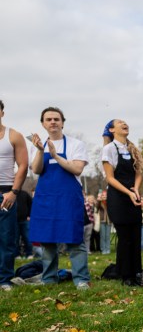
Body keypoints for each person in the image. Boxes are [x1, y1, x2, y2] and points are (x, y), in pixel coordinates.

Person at [29, 107, 91, 290]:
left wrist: (55, 155)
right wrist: (41, 151)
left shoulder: (75, 145)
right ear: (43, 124)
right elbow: (37, 170)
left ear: (63, 122)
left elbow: (77, 169)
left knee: (74, 240)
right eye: (48, 119)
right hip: (46, 199)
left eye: (56, 119)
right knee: (47, 240)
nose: (53, 122)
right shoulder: (38, 146)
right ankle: (49, 278)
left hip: (68, 199)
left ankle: (81, 279)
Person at [102, 119, 143, 287]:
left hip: (133, 195)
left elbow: (139, 172)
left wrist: (136, 189)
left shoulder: (132, 148)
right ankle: (127, 276)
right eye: (120, 123)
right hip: (118, 197)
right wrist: (128, 192)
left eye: (126, 122)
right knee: (125, 236)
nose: (125, 124)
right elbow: (110, 178)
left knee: (135, 235)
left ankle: (136, 272)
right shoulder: (109, 149)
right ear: (112, 129)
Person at [0, 100, 28, 291]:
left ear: (2, 112)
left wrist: (14, 192)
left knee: (6, 237)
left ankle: (4, 279)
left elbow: (23, 165)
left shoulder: (14, 135)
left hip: (6, 191)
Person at [13, 190, 34, 259]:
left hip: (25, 220)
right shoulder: (10, 195)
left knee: (27, 237)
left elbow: (31, 204)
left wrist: (29, 215)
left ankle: (29, 254)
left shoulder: (25, 194)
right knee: (15, 239)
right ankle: (16, 255)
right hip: (13, 221)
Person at [98, 190, 112, 254]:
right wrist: (99, 200)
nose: (104, 196)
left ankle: (108, 249)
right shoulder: (99, 203)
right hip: (102, 221)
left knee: (108, 236)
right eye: (103, 195)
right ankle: (103, 249)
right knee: (103, 236)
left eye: (105, 195)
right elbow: (97, 207)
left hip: (109, 221)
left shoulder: (110, 202)